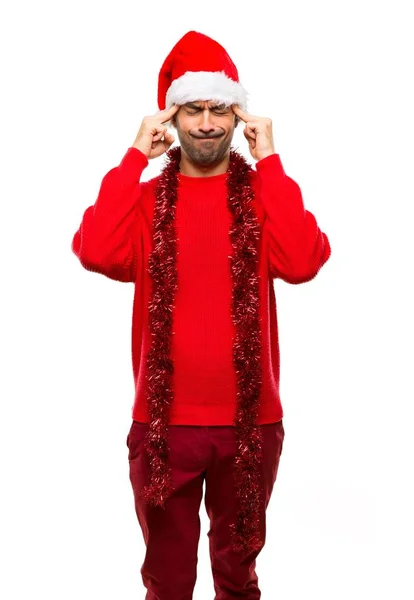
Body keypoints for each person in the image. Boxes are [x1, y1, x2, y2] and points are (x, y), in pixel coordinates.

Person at [71, 30, 331, 600]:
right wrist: (136, 153)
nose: (208, 123)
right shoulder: (143, 204)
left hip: (251, 425)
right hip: (163, 428)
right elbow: (94, 249)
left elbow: (306, 259)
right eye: (194, 109)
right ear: (174, 116)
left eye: (219, 109)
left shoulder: (264, 196)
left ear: (238, 117)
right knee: (167, 581)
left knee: (238, 579)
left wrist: (270, 159)